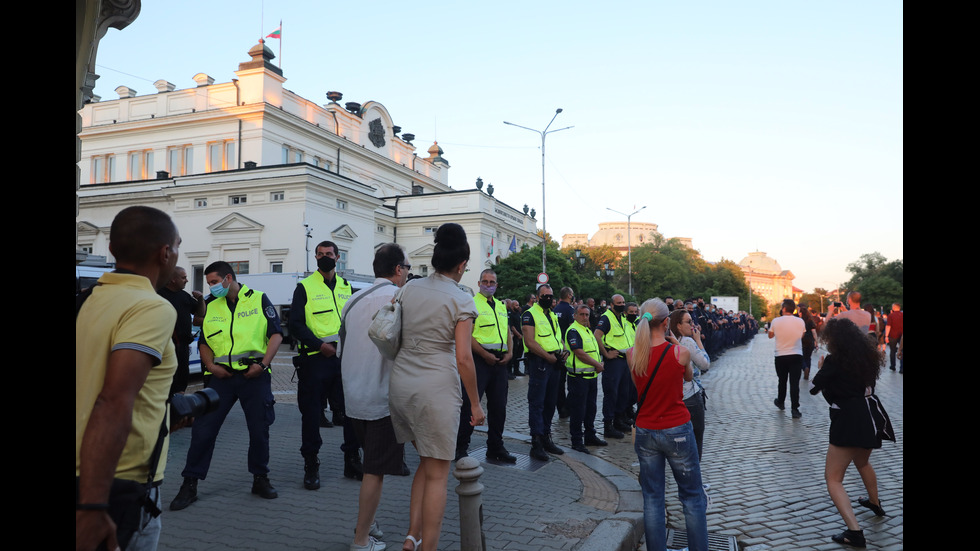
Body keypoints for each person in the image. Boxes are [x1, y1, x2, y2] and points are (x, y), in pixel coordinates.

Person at [76, 206, 181, 551]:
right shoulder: (151, 307)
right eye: (176, 247)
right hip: (117, 483)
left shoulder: (87, 299)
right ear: (165, 253)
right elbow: (114, 399)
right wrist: (93, 506)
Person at [388, 223, 485, 551]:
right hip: (436, 392)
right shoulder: (461, 300)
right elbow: (464, 358)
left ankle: (412, 536)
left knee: (427, 464)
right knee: (439, 474)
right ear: (461, 265)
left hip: (401, 388)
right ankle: (428, 546)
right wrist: (475, 403)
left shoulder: (408, 289)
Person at [169, 261, 283, 510]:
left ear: (228, 278)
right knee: (203, 430)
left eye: (213, 282)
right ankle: (189, 484)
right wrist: (211, 365)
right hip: (221, 378)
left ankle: (260, 478)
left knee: (259, 430)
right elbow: (204, 341)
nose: (211, 287)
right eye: (209, 283)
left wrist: (263, 365)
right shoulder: (210, 305)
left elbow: (276, 334)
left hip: (254, 376)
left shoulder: (259, 299)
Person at [342, 244, 411, 551]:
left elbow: (343, 347)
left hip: (353, 395)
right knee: (374, 472)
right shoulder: (399, 298)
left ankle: (368, 522)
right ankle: (360, 539)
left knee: (373, 468)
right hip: (381, 397)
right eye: (407, 267)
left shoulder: (352, 300)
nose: (408, 273)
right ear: (398, 269)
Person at [628, 298, 708, 551]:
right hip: (677, 430)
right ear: (666, 323)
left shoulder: (632, 355)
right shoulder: (680, 352)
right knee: (692, 497)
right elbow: (688, 376)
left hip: (646, 430)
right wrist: (674, 343)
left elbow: (640, 386)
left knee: (652, 499)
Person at [809, 318, 895, 548]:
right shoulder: (867, 356)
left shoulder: (833, 361)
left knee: (833, 479)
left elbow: (814, 388)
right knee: (863, 462)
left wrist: (820, 369)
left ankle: (854, 532)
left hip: (848, 419)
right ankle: (875, 503)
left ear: (833, 340)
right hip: (870, 415)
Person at [290, 240, 361, 487]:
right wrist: (320, 346)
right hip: (315, 360)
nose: (324, 257)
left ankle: (352, 460)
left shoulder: (346, 286)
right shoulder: (304, 287)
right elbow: (296, 325)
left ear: (338, 257)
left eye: (328, 254)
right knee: (311, 415)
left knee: (350, 413)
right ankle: (311, 465)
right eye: (320, 254)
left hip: (344, 359)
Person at [456, 269, 516, 463]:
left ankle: (495, 447)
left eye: (492, 282)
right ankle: (460, 447)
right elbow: (467, 335)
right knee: (470, 404)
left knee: (499, 407)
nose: (488, 285)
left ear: (497, 285)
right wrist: (484, 354)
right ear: (479, 283)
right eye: (485, 281)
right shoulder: (472, 303)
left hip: (500, 363)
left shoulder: (500, 305)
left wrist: (510, 352)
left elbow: (507, 331)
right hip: (480, 361)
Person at [522, 284, 569, 460]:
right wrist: (548, 357)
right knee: (537, 403)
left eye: (550, 295)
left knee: (550, 403)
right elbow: (530, 341)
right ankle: (536, 443)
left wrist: (564, 349)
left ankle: (546, 437)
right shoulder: (530, 314)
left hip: (555, 363)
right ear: (537, 296)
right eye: (544, 296)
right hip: (540, 362)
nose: (548, 298)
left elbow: (557, 337)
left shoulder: (551, 314)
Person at [564, 304, 607, 453]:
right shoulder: (574, 330)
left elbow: (592, 351)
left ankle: (590, 436)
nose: (584, 317)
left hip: (591, 376)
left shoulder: (587, 330)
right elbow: (579, 352)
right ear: (575, 315)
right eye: (581, 314)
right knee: (578, 411)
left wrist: (599, 363)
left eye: (587, 315)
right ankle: (576, 441)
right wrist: (597, 364)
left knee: (591, 409)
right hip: (578, 378)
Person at [157, 266, 205, 395]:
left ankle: (180, 403)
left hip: (183, 347)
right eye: (183, 277)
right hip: (166, 347)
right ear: (173, 279)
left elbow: (200, 313)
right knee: (168, 381)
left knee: (182, 378)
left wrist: (200, 299)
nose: (187, 280)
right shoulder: (159, 295)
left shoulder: (183, 296)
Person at [669, 308, 709, 461]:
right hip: (690, 395)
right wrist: (698, 341)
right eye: (689, 322)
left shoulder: (667, 341)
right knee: (695, 438)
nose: (693, 325)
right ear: (678, 325)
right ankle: (694, 479)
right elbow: (705, 364)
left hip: (673, 396)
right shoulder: (687, 342)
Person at [595, 294, 635, 438]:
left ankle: (619, 420)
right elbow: (597, 335)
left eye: (623, 302)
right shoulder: (607, 317)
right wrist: (605, 354)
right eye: (619, 302)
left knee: (624, 392)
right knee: (612, 393)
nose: (622, 304)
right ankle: (608, 425)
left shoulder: (622, 317)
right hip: (614, 361)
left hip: (625, 360)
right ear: (612, 304)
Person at [768, 299, 806, 419]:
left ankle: (781, 401)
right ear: (793, 309)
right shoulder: (800, 321)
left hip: (781, 355)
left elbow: (770, 335)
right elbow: (802, 335)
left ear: (783, 309)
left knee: (782, 380)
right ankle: (795, 408)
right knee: (794, 383)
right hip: (796, 354)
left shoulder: (776, 321)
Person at [553, 286, 576, 419]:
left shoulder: (554, 310)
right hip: (568, 350)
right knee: (571, 381)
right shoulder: (570, 310)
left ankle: (561, 407)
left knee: (559, 382)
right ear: (569, 295)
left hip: (557, 349)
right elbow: (573, 330)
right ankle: (567, 407)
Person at [799, 305, 818, 380]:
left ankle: (804, 368)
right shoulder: (811, 321)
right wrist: (816, 341)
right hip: (810, 340)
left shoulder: (800, 321)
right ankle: (808, 371)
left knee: (801, 357)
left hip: (802, 340)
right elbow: (814, 332)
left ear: (801, 313)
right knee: (808, 357)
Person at [885, 303, 903, 372]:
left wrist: (886, 336)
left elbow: (888, 326)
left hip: (893, 335)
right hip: (902, 335)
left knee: (892, 351)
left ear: (893, 307)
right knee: (902, 350)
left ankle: (893, 366)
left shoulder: (891, 315)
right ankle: (902, 368)